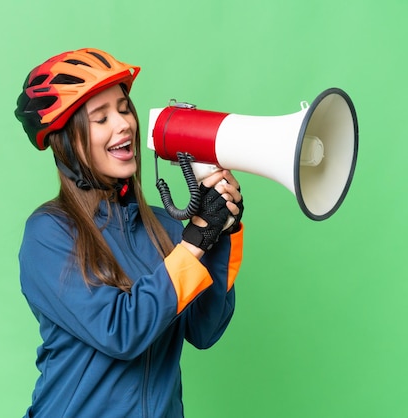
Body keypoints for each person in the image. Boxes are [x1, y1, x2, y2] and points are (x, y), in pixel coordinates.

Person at [14, 48, 245, 418]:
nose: (123, 124)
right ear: (67, 143)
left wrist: (221, 230)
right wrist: (197, 239)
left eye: (123, 109)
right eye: (101, 118)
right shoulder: (49, 233)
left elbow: (205, 330)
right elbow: (121, 330)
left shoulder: (165, 226)